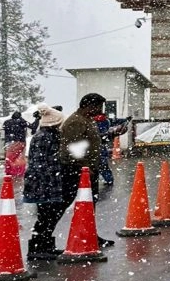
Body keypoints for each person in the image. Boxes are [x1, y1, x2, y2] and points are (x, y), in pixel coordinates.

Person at [59, 93, 115, 248]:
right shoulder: (76, 122)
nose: (101, 111)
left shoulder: (87, 120)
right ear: (90, 106)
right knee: (64, 203)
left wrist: (112, 135)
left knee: (90, 204)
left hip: (88, 171)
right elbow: (72, 148)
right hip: (76, 171)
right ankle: (43, 239)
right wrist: (84, 167)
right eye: (99, 107)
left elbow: (91, 140)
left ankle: (90, 235)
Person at [23, 104, 65, 260]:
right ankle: (38, 248)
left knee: (48, 216)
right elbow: (40, 164)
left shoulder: (50, 135)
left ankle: (45, 245)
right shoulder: (44, 137)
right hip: (43, 183)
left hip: (46, 182)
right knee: (45, 216)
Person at [2, 111, 39, 177]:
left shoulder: (7, 122)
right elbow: (33, 127)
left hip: (8, 143)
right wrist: (37, 119)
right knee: (19, 158)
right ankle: (19, 173)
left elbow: (3, 131)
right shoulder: (22, 121)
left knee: (9, 158)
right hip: (19, 142)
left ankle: (9, 172)